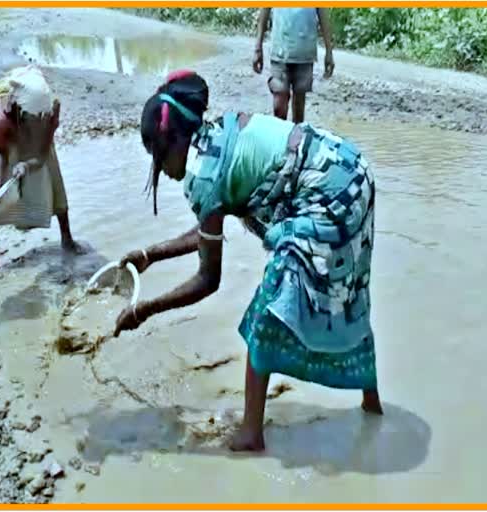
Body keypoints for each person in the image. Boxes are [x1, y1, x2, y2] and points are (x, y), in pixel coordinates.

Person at [113, 71, 382, 452]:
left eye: (158, 155)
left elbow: (208, 279)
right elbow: (210, 229)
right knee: (349, 291)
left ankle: (251, 433)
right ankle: (371, 404)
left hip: (327, 195)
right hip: (350, 171)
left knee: (266, 314)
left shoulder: (203, 175)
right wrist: (149, 255)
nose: (162, 171)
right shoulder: (218, 136)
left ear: (176, 139)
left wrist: (145, 310)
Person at [0, 66, 83, 277]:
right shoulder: (2, 117)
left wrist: (28, 165)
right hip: (9, 145)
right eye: (31, 117)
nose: (37, 120)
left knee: (55, 182)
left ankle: (67, 238)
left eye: (40, 117)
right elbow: (1, 153)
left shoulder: (49, 110)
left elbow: (43, 154)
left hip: (39, 146)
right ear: (17, 109)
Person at [253, 8, 334, 123]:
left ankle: (295, 137)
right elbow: (264, 12)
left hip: (305, 53)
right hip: (280, 52)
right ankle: (279, 136)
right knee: (279, 102)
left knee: (299, 105)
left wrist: (329, 51)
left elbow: (323, 17)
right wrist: (258, 48)